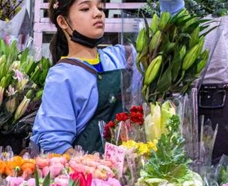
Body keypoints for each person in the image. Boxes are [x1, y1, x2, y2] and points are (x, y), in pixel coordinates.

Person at [31, 0, 185, 155]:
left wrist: (171, 4)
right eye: (85, 8)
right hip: (92, 175)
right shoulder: (62, 77)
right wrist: (96, 169)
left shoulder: (122, 57)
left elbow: (166, 49)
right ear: (63, 22)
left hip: (131, 170)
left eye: (100, 7)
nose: (98, 13)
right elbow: (55, 144)